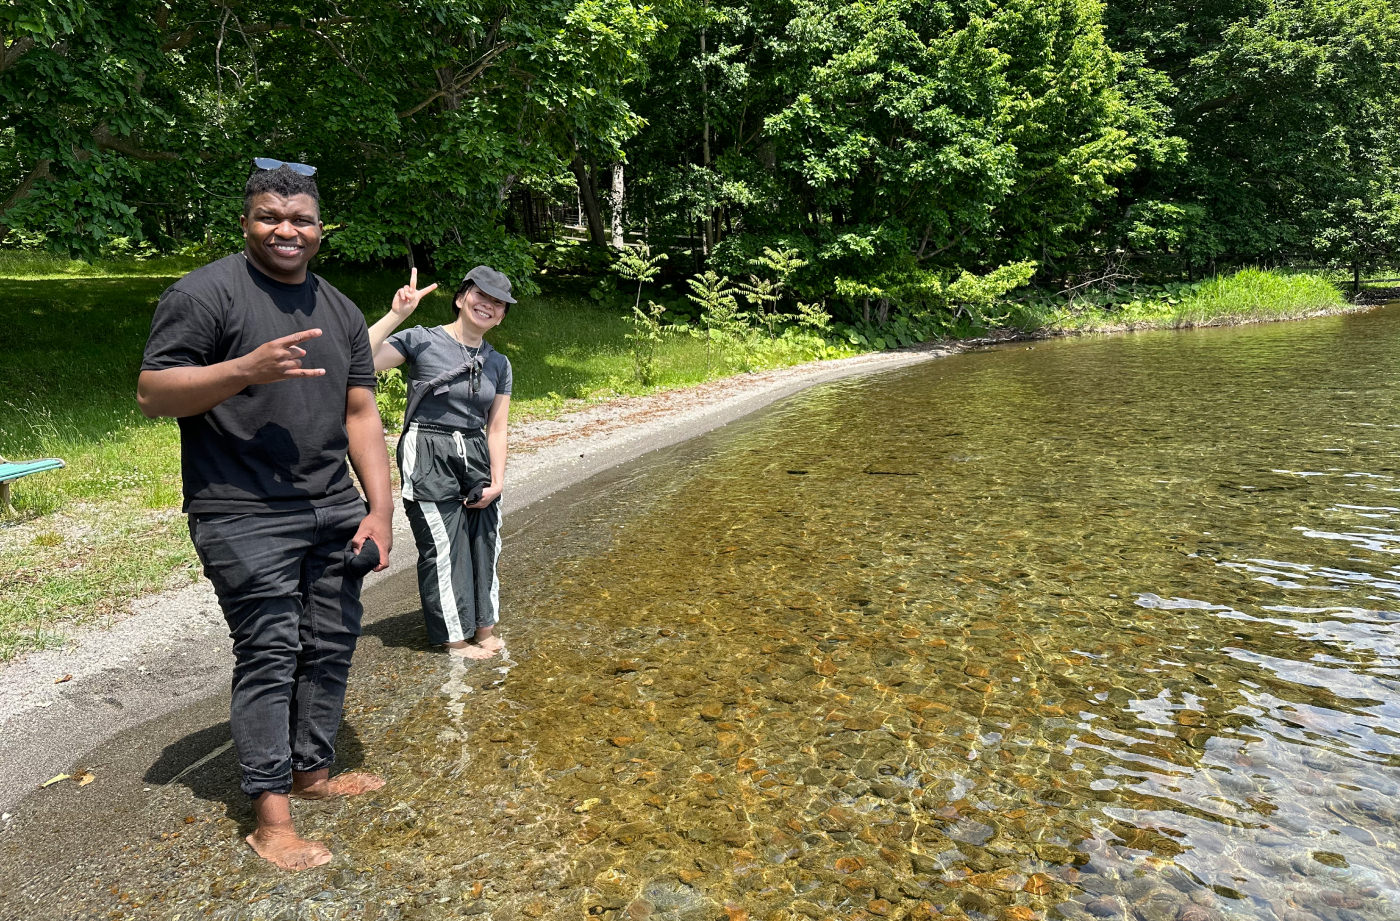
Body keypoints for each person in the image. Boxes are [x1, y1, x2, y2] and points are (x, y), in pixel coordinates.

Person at [137, 158, 394, 871]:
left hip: (333, 506)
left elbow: (361, 412)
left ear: (320, 227)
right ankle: (270, 815)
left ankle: (313, 771)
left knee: (332, 642)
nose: (287, 230)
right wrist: (242, 371)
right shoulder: (204, 294)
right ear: (247, 220)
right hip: (241, 509)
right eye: (270, 217)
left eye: (301, 219)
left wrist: (380, 507)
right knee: (272, 650)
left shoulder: (339, 309)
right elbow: (154, 393)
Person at [368, 265, 514, 659]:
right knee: (443, 545)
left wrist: (497, 480)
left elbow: (496, 428)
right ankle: (454, 637)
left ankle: (483, 627)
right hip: (428, 449)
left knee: (484, 542)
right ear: (462, 297)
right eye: (481, 296)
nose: (488, 306)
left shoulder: (499, 364)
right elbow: (359, 359)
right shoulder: (421, 340)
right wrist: (397, 314)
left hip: (476, 454)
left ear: (501, 315)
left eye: (498, 303)